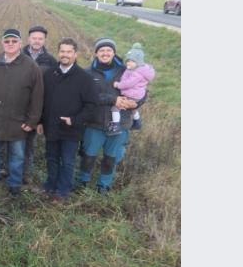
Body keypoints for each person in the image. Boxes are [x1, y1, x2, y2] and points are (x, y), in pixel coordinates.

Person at [0, 28, 44, 197]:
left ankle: (14, 183)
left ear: (20, 43)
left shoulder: (31, 66)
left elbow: (37, 97)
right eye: (7, 41)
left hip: (18, 121)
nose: (10, 44)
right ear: (2, 43)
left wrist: (32, 121)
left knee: (17, 155)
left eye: (14, 41)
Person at [75, 38, 142, 193]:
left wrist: (136, 103)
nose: (105, 53)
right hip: (94, 122)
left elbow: (142, 90)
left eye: (109, 50)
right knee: (88, 155)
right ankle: (83, 181)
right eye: (101, 50)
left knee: (111, 158)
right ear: (96, 53)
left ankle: (104, 185)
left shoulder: (127, 71)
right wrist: (113, 99)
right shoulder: (87, 73)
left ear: (113, 52)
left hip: (120, 123)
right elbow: (86, 97)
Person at [38, 38, 96, 201]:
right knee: (51, 158)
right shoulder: (50, 74)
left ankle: (63, 191)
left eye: (69, 52)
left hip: (71, 129)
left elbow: (91, 105)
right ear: (58, 53)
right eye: (62, 51)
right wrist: (40, 122)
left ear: (75, 54)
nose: (65, 55)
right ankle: (50, 185)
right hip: (51, 126)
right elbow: (43, 100)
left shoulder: (84, 78)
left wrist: (75, 120)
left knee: (68, 161)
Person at [22, 25, 58, 184]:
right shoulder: (18, 54)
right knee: (12, 140)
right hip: (17, 105)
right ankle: (9, 168)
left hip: (36, 109)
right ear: (28, 39)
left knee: (29, 142)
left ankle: (26, 173)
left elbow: (52, 89)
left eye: (40, 39)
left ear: (44, 40)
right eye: (34, 38)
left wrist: (42, 116)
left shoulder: (50, 61)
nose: (37, 41)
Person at [113, 43, 155, 131]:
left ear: (138, 62)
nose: (128, 63)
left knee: (115, 108)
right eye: (127, 61)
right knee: (133, 108)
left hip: (132, 94)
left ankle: (115, 125)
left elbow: (129, 83)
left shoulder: (137, 73)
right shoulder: (137, 70)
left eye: (131, 61)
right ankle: (137, 122)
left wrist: (118, 85)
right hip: (136, 95)